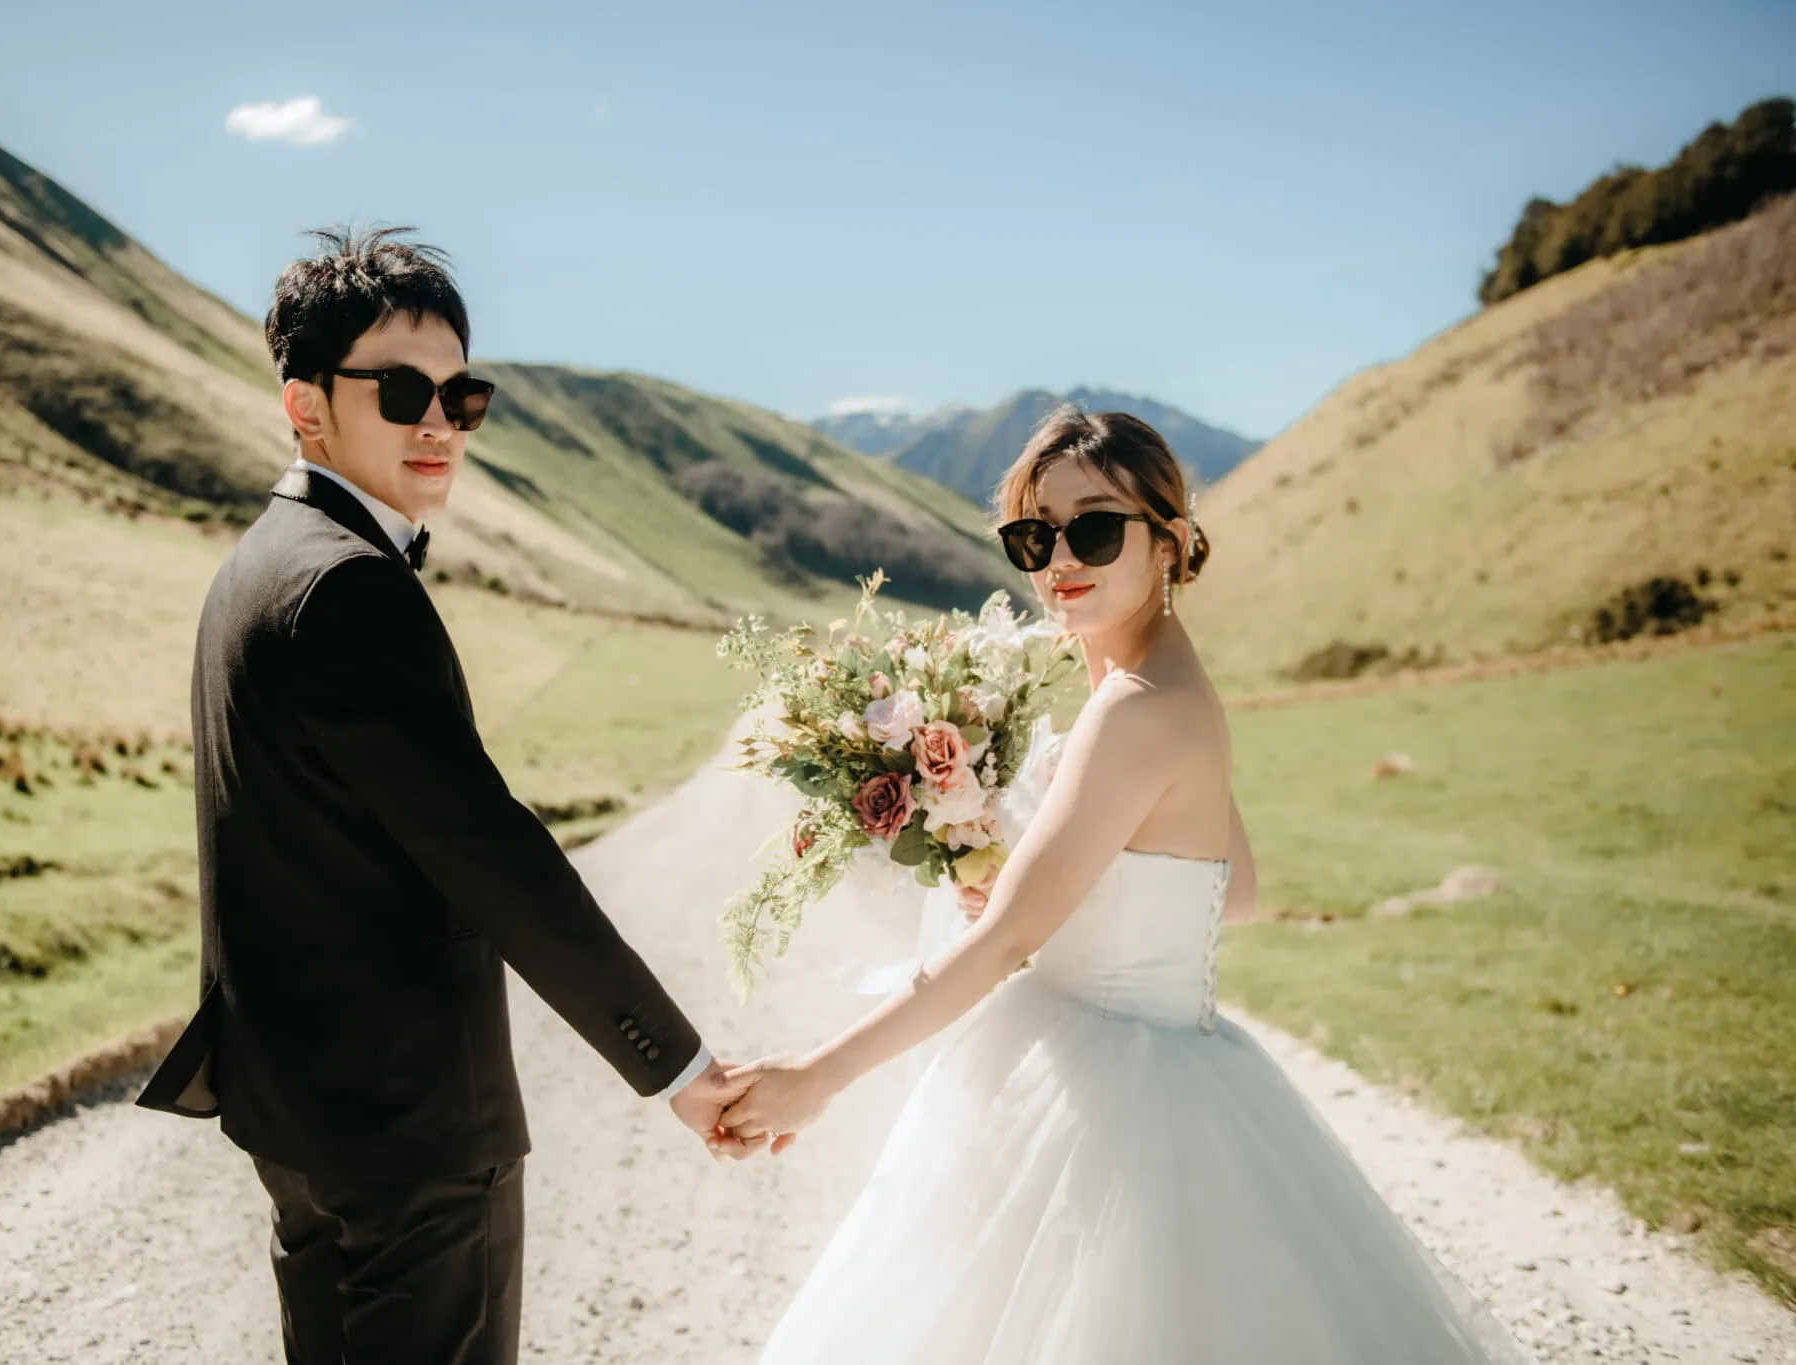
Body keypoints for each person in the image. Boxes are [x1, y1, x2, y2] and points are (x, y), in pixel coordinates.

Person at [720, 408, 1527, 1363]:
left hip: (1105, 1099)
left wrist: (818, 1077)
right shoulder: (1170, 687)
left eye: (1095, 527)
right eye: (1035, 532)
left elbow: (1005, 943)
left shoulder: (1134, 711)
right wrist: (1057, 893)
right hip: (1157, 1062)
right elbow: (1235, 889)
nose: (1060, 555)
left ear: (1173, 543)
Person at [135, 227, 757, 1365]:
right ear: (305, 404)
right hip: (409, 1136)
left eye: (458, 396)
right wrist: (672, 1063)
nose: (436, 422)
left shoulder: (257, 565)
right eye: (401, 389)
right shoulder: (347, 586)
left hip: (302, 1120)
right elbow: (493, 859)